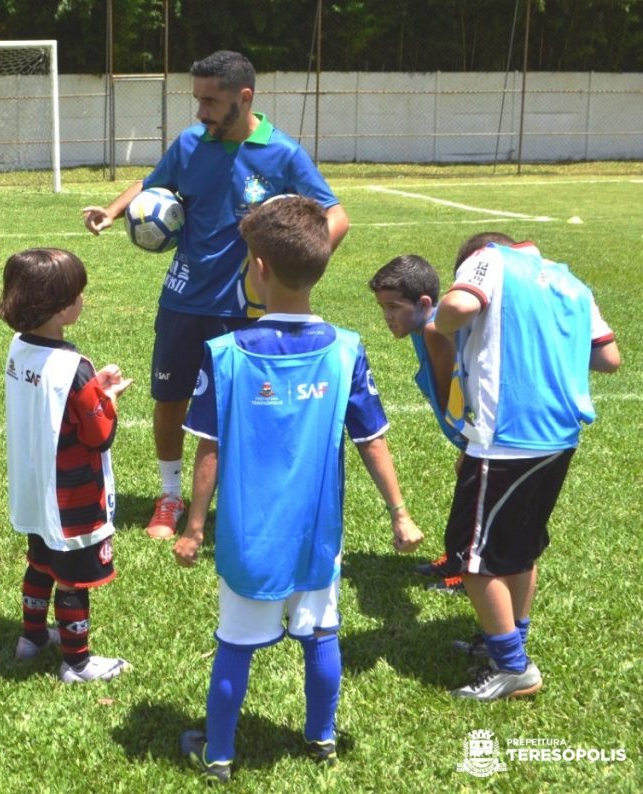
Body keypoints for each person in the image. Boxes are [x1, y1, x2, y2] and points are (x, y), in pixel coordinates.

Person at [171, 196, 422, 783]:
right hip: (317, 536)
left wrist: (194, 528)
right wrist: (400, 513)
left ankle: (219, 755)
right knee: (321, 633)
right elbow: (372, 441)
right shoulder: (346, 349)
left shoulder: (225, 354)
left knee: (235, 644)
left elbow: (209, 450)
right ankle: (321, 739)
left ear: (258, 268)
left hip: (248, 538)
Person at [83, 50, 349, 540]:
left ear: (243, 98)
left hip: (247, 308)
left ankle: (245, 499)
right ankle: (170, 496)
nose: (201, 111)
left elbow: (336, 215)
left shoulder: (283, 154)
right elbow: (152, 183)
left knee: (245, 405)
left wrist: (297, 267)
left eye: (211, 101)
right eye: (198, 99)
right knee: (171, 398)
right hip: (184, 297)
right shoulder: (190, 143)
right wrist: (113, 211)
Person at [433, 232, 620, 701]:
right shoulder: (571, 282)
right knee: (519, 550)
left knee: (472, 558)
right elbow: (608, 358)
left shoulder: (489, 259)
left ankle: (512, 667)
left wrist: (442, 319)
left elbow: (456, 307)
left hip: (507, 436)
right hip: (559, 436)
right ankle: (508, 643)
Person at [0, 248, 133, 684]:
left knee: (41, 563)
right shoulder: (74, 368)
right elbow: (99, 434)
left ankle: (32, 637)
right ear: (59, 307)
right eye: (77, 294)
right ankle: (77, 663)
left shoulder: (18, 347)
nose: (82, 300)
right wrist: (106, 397)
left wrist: (93, 390)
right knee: (73, 579)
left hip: (34, 485)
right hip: (70, 495)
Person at [368, 254, 467, 594]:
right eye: (383, 307)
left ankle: (469, 573)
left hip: (482, 435)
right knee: (468, 490)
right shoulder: (422, 330)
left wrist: (471, 446)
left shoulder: (435, 332)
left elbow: (455, 400)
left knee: (478, 496)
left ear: (424, 303)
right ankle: (456, 559)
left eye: (394, 307)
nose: (387, 316)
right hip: (472, 437)